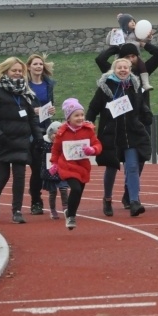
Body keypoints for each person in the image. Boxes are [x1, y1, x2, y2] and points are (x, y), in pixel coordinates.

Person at [95, 39, 158, 208]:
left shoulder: (143, 72)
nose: (131, 60)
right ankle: (111, 198)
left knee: (137, 162)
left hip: (139, 122)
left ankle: (130, 195)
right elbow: (100, 60)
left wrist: (144, 43)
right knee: (114, 162)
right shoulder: (116, 72)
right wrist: (116, 48)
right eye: (127, 56)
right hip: (118, 125)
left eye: (133, 56)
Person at [86, 57, 152, 217]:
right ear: (114, 70)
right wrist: (88, 124)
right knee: (112, 167)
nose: (123, 70)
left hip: (131, 134)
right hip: (112, 134)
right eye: (119, 68)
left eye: (126, 68)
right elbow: (93, 108)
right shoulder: (105, 87)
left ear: (130, 70)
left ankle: (134, 201)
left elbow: (141, 105)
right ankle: (107, 199)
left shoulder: (135, 86)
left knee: (132, 167)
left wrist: (146, 115)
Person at [0, 57, 42, 224]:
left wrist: (38, 138)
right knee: (2, 176)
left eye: (19, 71)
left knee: (19, 176)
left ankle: (16, 210)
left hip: (21, 141)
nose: (17, 73)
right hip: (2, 141)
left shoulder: (25, 92)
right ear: (5, 71)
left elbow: (32, 118)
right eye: (14, 70)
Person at [49, 98, 102, 230]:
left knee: (78, 192)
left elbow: (97, 144)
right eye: (76, 115)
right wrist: (54, 163)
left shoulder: (88, 130)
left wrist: (93, 150)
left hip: (83, 166)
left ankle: (69, 212)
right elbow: (56, 149)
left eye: (82, 115)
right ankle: (71, 216)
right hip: (67, 165)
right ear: (69, 117)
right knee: (76, 188)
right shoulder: (62, 133)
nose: (80, 118)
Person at [26, 53, 57, 215]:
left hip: (46, 128)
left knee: (49, 166)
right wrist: (34, 111)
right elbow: (20, 107)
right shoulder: (24, 85)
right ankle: (35, 201)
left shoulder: (48, 84)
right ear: (29, 67)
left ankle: (54, 198)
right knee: (36, 167)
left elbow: (50, 103)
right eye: (35, 64)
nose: (38, 67)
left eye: (40, 64)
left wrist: (51, 110)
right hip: (30, 130)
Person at [110, 13, 154, 91]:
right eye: (130, 21)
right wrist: (111, 33)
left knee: (142, 66)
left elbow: (143, 41)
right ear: (125, 23)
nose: (133, 22)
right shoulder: (119, 33)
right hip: (122, 57)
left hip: (135, 56)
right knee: (120, 69)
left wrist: (148, 38)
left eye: (133, 21)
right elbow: (110, 42)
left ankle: (146, 84)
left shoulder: (136, 33)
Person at [40, 121, 68, 219]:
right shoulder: (45, 143)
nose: (56, 136)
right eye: (54, 134)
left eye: (59, 133)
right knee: (53, 192)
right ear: (50, 133)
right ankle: (52, 210)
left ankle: (66, 207)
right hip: (50, 172)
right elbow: (41, 157)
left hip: (61, 171)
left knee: (64, 189)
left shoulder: (63, 143)